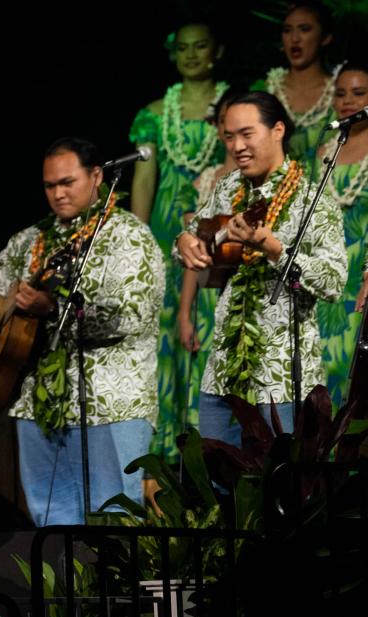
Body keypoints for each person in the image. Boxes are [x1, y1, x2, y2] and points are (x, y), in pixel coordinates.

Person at [0, 137, 164, 526]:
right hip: (38, 404)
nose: (58, 194)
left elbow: (131, 315)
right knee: (50, 517)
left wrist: (54, 309)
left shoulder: (129, 236)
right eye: (50, 185)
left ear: (97, 176)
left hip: (110, 402)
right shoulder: (30, 241)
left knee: (115, 515)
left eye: (68, 182)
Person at [174, 91, 347, 444]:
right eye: (229, 136)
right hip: (223, 374)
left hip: (281, 378)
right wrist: (183, 243)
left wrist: (274, 249)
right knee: (218, 473)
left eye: (247, 134)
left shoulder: (312, 199)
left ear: (277, 130)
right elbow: (195, 235)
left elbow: (333, 282)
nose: (237, 146)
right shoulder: (227, 188)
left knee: (279, 476)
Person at [129, 20, 229, 463]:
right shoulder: (153, 114)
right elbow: (144, 180)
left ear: (216, 51)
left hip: (214, 223)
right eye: (183, 48)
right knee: (167, 327)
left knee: (205, 321)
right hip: (167, 227)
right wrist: (139, 241)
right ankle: (167, 442)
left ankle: (207, 435)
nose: (191, 55)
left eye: (200, 46)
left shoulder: (230, 106)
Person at [177, 89, 241, 431]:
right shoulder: (205, 182)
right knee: (208, 380)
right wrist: (185, 313)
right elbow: (195, 254)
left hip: (243, 295)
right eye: (225, 123)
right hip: (207, 295)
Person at [312, 60, 368, 405]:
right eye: (341, 93)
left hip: (362, 272)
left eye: (359, 93)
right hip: (327, 271)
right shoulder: (325, 150)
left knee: (351, 368)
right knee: (321, 365)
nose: (348, 101)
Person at [253, 1, 339, 166]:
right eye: (287, 30)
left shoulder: (342, 92)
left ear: (325, 37)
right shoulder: (265, 89)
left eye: (304, 29)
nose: (294, 38)